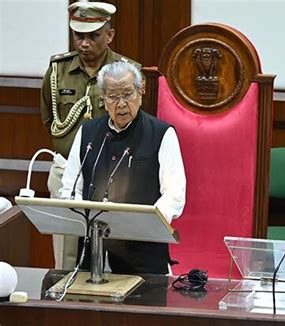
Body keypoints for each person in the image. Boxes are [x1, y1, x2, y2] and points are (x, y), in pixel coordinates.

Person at [40, 1, 142, 269]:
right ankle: (67, 308)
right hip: (67, 172)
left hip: (115, 174)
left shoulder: (127, 73)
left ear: (109, 35)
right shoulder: (57, 72)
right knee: (67, 259)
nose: (84, 43)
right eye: (78, 35)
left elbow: (138, 124)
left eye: (93, 36)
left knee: (115, 256)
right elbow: (50, 120)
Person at [60, 61, 186, 274]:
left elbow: (174, 195)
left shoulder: (162, 134)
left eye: (127, 94)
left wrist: (141, 224)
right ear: (103, 98)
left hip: (143, 257)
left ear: (140, 92)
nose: (120, 104)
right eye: (113, 96)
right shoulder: (88, 133)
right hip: (92, 256)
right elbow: (70, 189)